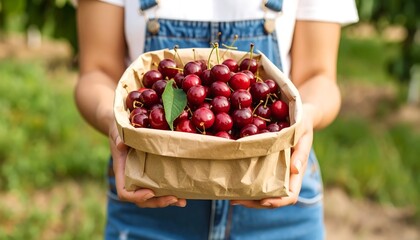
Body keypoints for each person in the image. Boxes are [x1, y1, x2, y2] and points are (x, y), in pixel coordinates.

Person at [75, 0, 358, 239]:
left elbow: (319, 77)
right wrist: (114, 121)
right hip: (151, 197)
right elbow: (95, 72)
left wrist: (305, 115)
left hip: (277, 199)